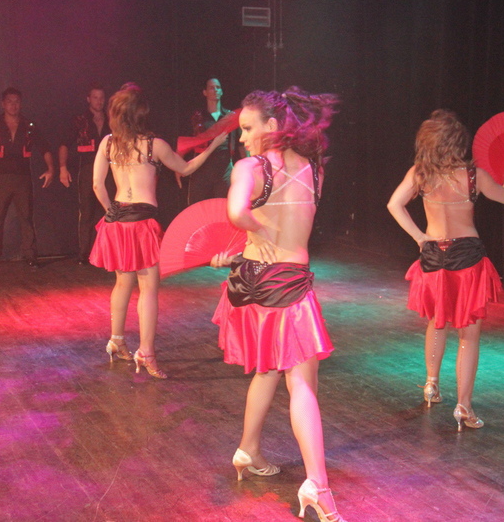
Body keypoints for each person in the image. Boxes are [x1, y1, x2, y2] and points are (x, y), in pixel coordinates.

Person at [210, 87, 345, 522]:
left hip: (253, 282)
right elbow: (253, 219)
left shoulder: (249, 168)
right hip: (287, 283)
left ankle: (248, 449)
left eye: (247, 128)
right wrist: (260, 233)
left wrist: (255, 233)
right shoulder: (315, 170)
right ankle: (317, 485)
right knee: (302, 382)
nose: (242, 137)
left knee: (268, 369)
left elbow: (239, 213)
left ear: (272, 126)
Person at [387, 109, 504, 432]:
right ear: (459, 142)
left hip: (434, 256)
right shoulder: (474, 176)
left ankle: (431, 385)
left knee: (437, 322)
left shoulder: (420, 174)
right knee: (468, 335)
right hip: (467, 258)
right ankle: (464, 406)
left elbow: (394, 204)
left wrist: (420, 237)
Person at [88, 83, 226, 377]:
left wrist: (111, 211)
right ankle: (146, 352)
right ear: (141, 113)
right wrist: (214, 146)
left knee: (122, 283)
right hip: (142, 223)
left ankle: (116, 341)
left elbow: (98, 185)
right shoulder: (154, 145)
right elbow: (186, 169)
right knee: (148, 288)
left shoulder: (108, 143)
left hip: (117, 222)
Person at [0, 87, 55, 267]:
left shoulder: (28, 125)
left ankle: (29, 254)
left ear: (21, 104)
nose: (13, 105)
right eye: (9, 101)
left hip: (23, 177)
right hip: (1, 177)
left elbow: (45, 147)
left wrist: (51, 169)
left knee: (26, 217)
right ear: (3, 104)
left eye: (16, 101)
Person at [58, 84, 115, 264]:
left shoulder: (112, 119)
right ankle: (84, 253)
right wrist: (62, 168)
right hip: (87, 169)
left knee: (109, 210)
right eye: (95, 97)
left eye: (101, 98)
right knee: (87, 212)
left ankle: (108, 253)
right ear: (88, 99)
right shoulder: (80, 120)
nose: (99, 101)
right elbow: (64, 144)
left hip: (110, 170)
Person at [181, 78, 241, 204]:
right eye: (212, 88)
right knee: (198, 209)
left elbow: (241, 145)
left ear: (222, 91)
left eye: (218, 87)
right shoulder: (197, 118)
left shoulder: (230, 116)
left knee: (224, 208)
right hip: (201, 171)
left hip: (224, 170)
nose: (215, 90)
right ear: (205, 92)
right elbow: (186, 144)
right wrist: (178, 167)